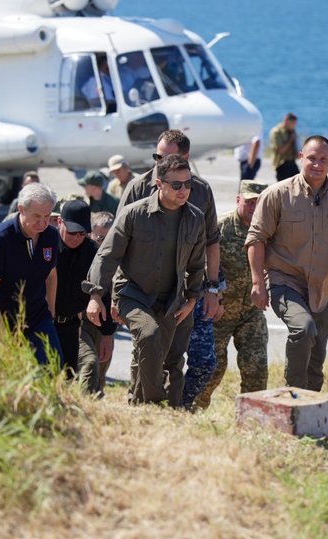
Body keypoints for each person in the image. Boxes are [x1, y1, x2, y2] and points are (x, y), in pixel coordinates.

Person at [84, 154, 206, 405]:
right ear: (159, 184)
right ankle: (153, 401)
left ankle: (139, 404)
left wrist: (192, 299)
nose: (184, 190)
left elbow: (196, 264)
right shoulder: (133, 214)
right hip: (133, 294)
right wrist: (96, 296)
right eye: (176, 185)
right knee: (149, 336)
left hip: (172, 299)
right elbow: (107, 256)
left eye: (188, 183)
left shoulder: (195, 218)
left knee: (158, 355)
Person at [246, 135, 328, 391]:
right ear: (301, 157)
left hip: (322, 290)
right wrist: (258, 282)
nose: (317, 164)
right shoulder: (277, 194)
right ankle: (293, 396)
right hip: (284, 282)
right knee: (304, 328)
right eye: (312, 158)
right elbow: (256, 238)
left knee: (316, 361)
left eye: (323, 159)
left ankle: (313, 415)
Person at [118, 129, 221, 409]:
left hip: (184, 290)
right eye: (156, 156)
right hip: (140, 289)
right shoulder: (138, 188)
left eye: (166, 158)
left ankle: (174, 410)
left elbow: (212, 242)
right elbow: (115, 244)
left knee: (178, 355)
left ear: (185, 159)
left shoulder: (201, 192)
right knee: (146, 346)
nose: (158, 164)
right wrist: (113, 295)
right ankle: (140, 404)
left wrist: (211, 290)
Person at [194, 180, 270, 410]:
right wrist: (212, 296)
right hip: (219, 312)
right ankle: (193, 410)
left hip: (250, 313)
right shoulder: (220, 228)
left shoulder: (271, 229)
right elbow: (201, 265)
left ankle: (253, 419)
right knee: (212, 369)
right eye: (249, 202)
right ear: (238, 200)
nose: (254, 208)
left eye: (259, 203)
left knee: (256, 369)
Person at [0, 183, 63, 368]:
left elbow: (51, 275)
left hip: (38, 317)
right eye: (37, 216)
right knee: (3, 375)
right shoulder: (0, 239)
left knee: (52, 367)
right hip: (1, 319)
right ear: (21, 209)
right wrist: (0, 335)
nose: (42, 222)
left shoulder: (51, 236)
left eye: (47, 216)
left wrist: (51, 310)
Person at [51, 200, 98, 379]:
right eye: (72, 232)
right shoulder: (46, 244)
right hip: (43, 323)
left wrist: (108, 333)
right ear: (59, 222)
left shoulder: (91, 251)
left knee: (67, 378)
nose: (77, 237)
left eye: (83, 233)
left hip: (70, 326)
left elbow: (103, 289)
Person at [77, 211, 117, 395]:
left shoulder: (118, 258)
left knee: (99, 376)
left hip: (104, 326)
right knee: (88, 365)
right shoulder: (82, 255)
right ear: (89, 235)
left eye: (110, 239)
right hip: (80, 322)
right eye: (100, 238)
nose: (105, 245)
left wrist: (108, 334)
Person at [269, 112, 299, 181]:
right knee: (283, 188)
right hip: (281, 163)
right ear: (286, 121)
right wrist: (290, 140)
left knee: (298, 183)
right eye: (293, 124)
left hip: (292, 162)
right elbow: (281, 150)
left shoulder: (291, 131)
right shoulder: (276, 132)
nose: (294, 126)